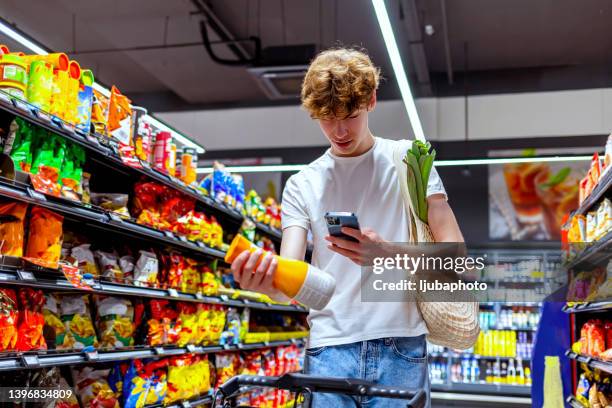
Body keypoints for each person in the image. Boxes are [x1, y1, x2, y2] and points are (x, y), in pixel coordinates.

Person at [230, 47, 464, 407]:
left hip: (400, 346)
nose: (339, 130)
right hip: (329, 350)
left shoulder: (410, 160)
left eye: (350, 115)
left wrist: (386, 253)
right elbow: (288, 284)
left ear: (371, 100)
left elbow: (455, 257)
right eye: (326, 118)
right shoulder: (302, 183)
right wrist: (264, 281)